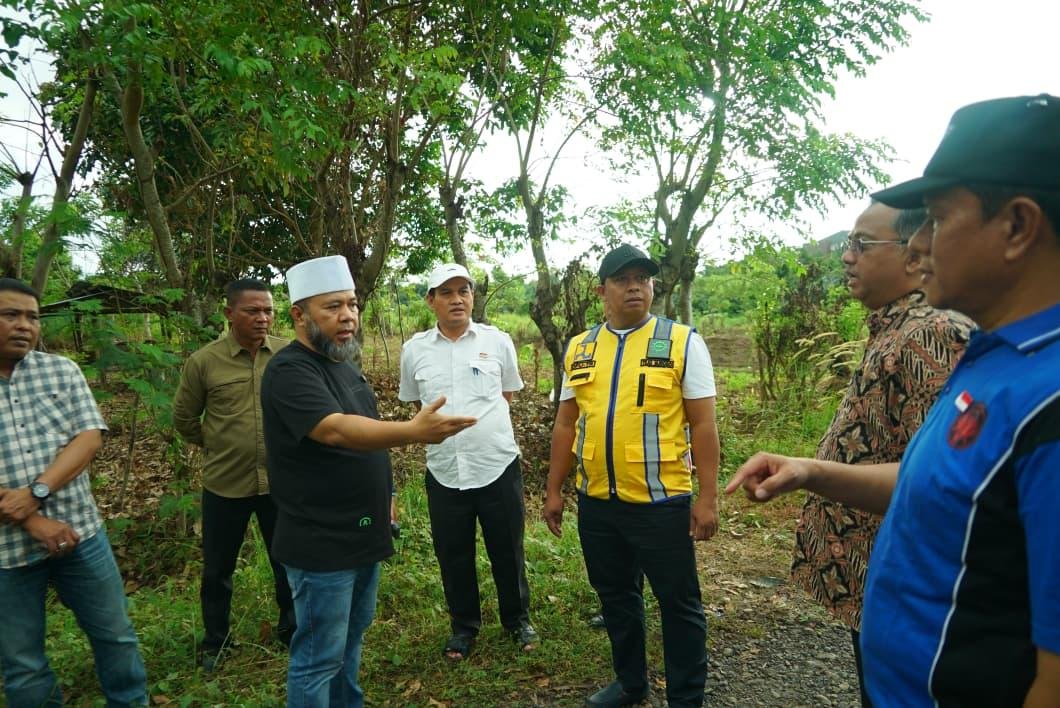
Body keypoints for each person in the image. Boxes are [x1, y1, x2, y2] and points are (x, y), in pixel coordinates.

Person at [726, 94, 1060, 706]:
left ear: (1017, 226)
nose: (918, 245)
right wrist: (812, 471)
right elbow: (943, 483)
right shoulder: (995, 356)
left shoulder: (1049, 402)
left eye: (937, 218)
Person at [260, 255, 477, 707]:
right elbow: (335, 430)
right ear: (299, 315)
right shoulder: (290, 370)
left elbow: (368, 434)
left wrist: (389, 492)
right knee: (319, 656)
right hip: (321, 541)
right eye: (332, 307)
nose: (348, 317)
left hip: (362, 530)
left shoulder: (344, 364)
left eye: (352, 305)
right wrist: (413, 431)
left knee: (351, 640)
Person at [791, 202, 972, 705]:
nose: (847, 257)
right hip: (874, 576)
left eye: (862, 244)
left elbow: (939, 474)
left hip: (901, 582)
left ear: (915, 255)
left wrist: (809, 471)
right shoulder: (894, 326)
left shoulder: (932, 333)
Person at [544, 244, 721, 708]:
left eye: (643, 279)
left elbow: (704, 425)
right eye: (623, 280)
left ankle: (686, 698)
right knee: (616, 598)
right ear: (601, 291)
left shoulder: (681, 341)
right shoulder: (581, 348)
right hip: (598, 502)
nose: (635, 288)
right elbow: (565, 424)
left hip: (661, 503)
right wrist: (553, 490)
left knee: (678, 604)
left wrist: (708, 497)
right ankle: (630, 683)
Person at [0, 277, 148, 707]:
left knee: (116, 635)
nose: (25, 325)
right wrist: (31, 518)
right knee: (22, 662)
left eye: (33, 317)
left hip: (80, 532)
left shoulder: (60, 370)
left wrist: (36, 492)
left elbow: (88, 437)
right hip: (5, 552)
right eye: (11, 315)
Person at [398, 263, 537, 660]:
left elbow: (506, 396)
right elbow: (416, 404)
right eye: (446, 292)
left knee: (507, 548)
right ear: (431, 301)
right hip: (444, 469)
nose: (457, 299)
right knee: (453, 552)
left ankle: (517, 619)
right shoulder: (414, 350)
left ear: (473, 297)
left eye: (464, 291)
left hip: (496, 464)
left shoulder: (497, 341)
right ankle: (464, 627)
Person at [172, 278, 296, 671]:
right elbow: (184, 419)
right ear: (229, 313)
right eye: (252, 311)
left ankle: (292, 630)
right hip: (226, 484)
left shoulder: (288, 356)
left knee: (287, 562)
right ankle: (216, 642)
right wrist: (218, 443)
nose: (263, 318)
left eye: (268, 310)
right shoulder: (204, 362)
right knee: (218, 569)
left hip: (280, 483)